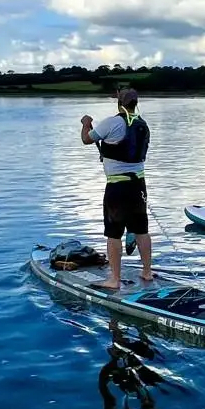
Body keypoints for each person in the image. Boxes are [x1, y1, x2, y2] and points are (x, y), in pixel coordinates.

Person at [80, 87, 153, 290]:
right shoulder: (143, 125)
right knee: (141, 230)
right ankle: (147, 272)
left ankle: (114, 279)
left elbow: (87, 139)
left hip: (118, 187)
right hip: (139, 185)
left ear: (119, 103)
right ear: (135, 103)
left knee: (114, 233)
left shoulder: (112, 123)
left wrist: (86, 123)